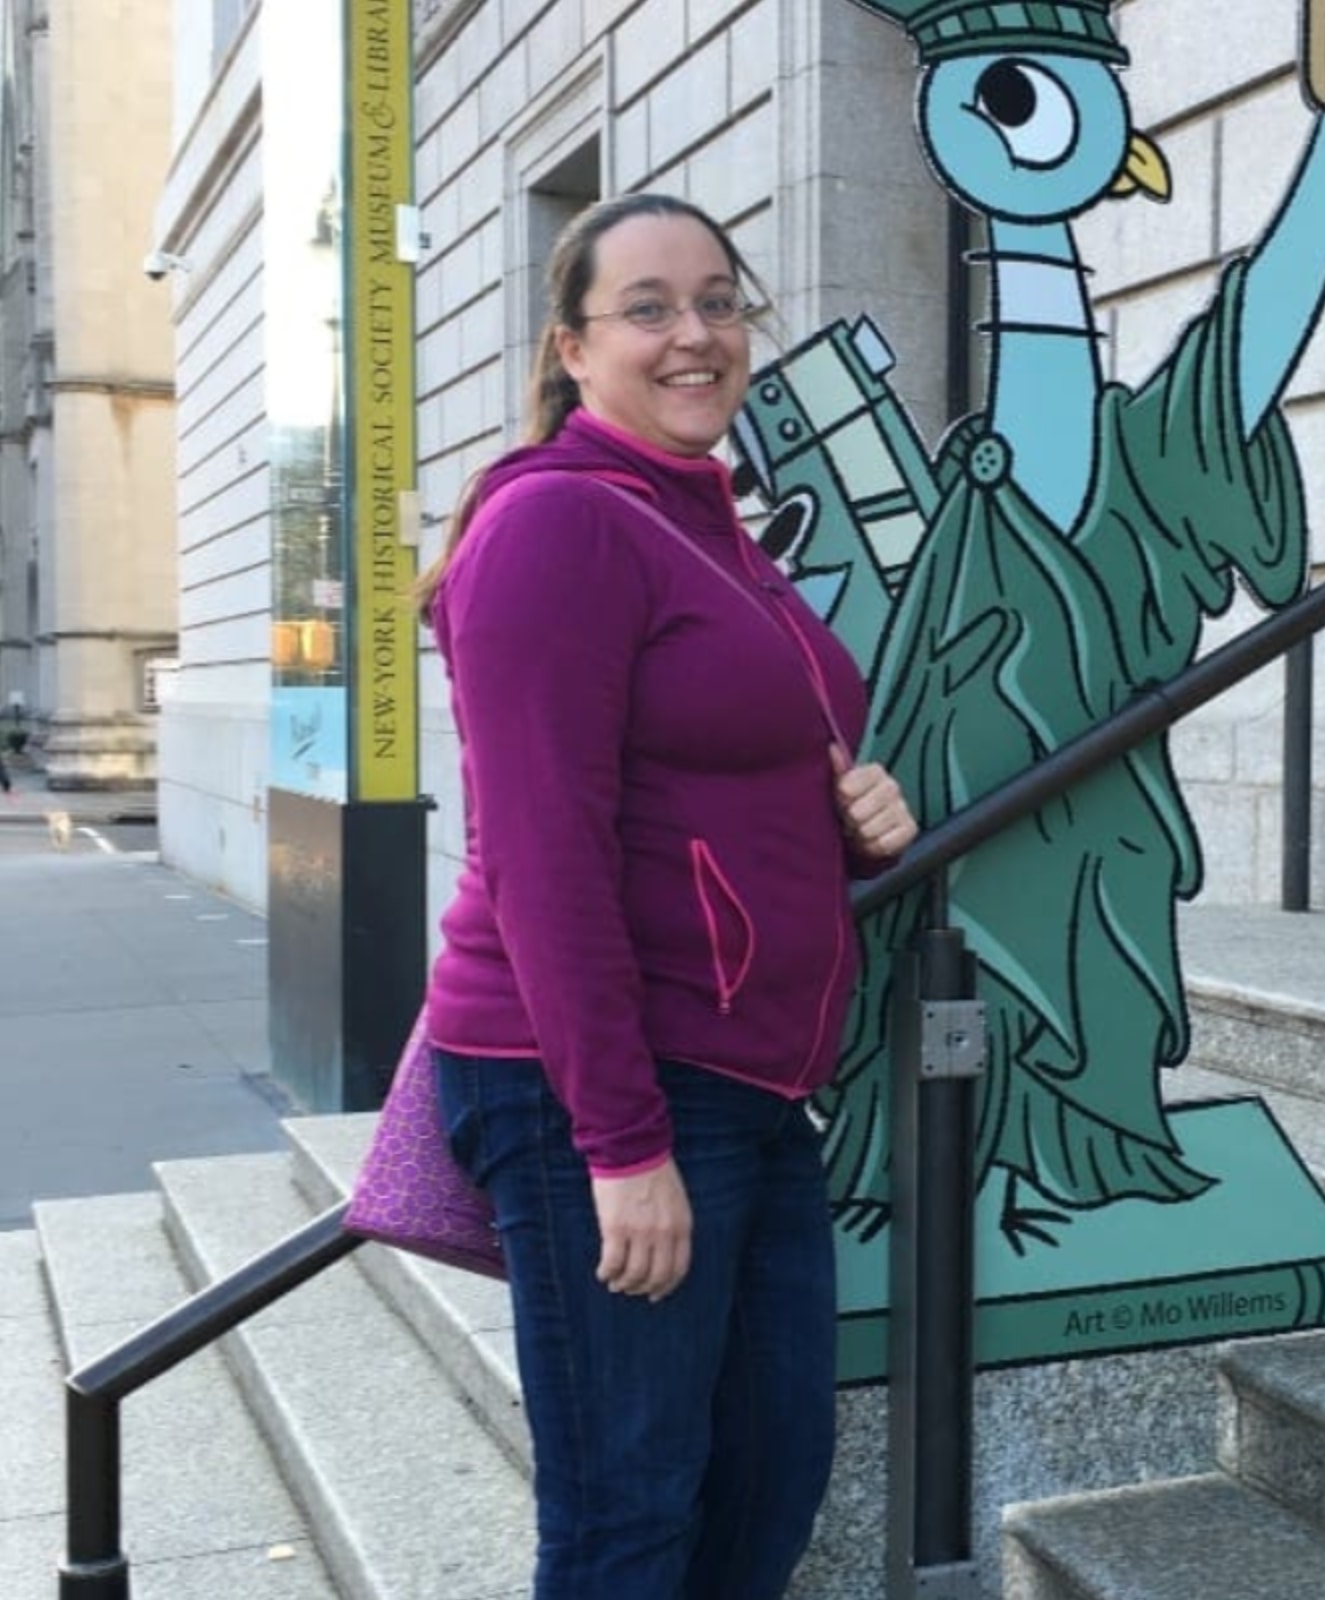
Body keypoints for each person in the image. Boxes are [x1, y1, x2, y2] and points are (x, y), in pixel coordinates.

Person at [416, 192, 919, 1600]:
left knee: (767, 1482)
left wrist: (858, 821)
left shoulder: (704, 526)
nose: (694, 333)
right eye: (647, 308)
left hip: (748, 1079)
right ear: (574, 348)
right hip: (605, 1081)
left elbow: (723, 777)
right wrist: (622, 1144)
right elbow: (542, 859)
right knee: (628, 1519)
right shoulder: (558, 527)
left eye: (717, 300)